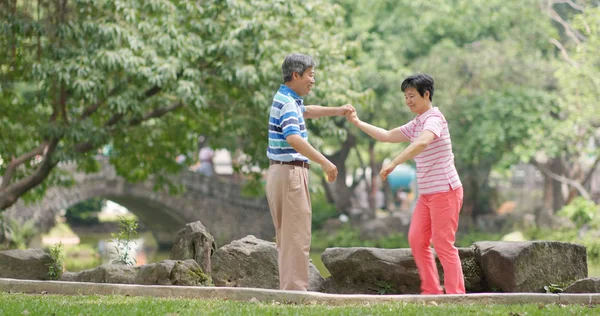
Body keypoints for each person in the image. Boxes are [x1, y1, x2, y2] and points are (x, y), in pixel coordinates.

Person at [346, 74, 465, 294]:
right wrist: (356, 122)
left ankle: (456, 295)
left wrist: (394, 162)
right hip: (427, 194)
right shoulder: (417, 122)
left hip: (445, 191)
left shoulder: (434, 118)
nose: (408, 100)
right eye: (406, 96)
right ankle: (431, 290)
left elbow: (423, 142)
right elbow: (387, 135)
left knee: (443, 245)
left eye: (412, 96)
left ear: (426, 94)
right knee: (417, 240)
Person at [266, 53, 354, 291]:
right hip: (290, 174)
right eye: (310, 75)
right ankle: (296, 294)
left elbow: (307, 111)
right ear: (296, 75)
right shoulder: (287, 103)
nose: (313, 80)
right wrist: (325, 161)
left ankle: (291, 291)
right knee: (297, 237)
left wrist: (338, 110)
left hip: (281, 173)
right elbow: (293, 137)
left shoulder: (288, 99)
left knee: (288, 237)